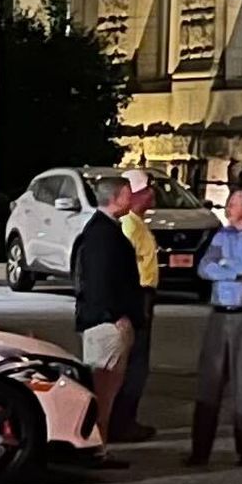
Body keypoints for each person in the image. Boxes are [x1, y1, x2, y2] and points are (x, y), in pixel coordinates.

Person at [186, 187, 242, 468]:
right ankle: (200, 451)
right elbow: (204, 267)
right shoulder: (222, 235)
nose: (228, 207)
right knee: (208, 382)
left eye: (233, 203)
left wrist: (225, 267)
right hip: (220, 313)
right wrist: (233, 271)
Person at [72, 174, 142, 465]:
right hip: (106, 324)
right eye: (128, 193)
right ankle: (96, 448)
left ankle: (97, 445)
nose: (132, 198)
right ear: (118, 196)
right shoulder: (104, 235)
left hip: (99, 321)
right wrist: (115, 316)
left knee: (103, 388)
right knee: (104, 389)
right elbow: (100, 282)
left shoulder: (98, 230)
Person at [109, 169, 159, 443]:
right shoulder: (130, 225)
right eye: (150, 189)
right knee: (135, 361)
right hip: (138, 296)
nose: (154, 195)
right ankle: (123, 422)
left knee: (138, 360)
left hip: (143, 294)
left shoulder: (137, 223)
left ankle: (126, 419)